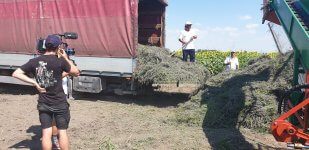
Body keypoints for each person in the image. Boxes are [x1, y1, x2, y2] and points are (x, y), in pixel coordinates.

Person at [12, 34, 80, 150]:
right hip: (59, 102)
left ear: (45, 46)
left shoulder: (34, 61)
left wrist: (35, 83)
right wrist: (66, 58)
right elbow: (76, 72)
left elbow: (15, 73)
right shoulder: (60, 61)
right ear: (58, 47)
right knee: (62, 132)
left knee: (46, 133)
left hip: (43, 103)